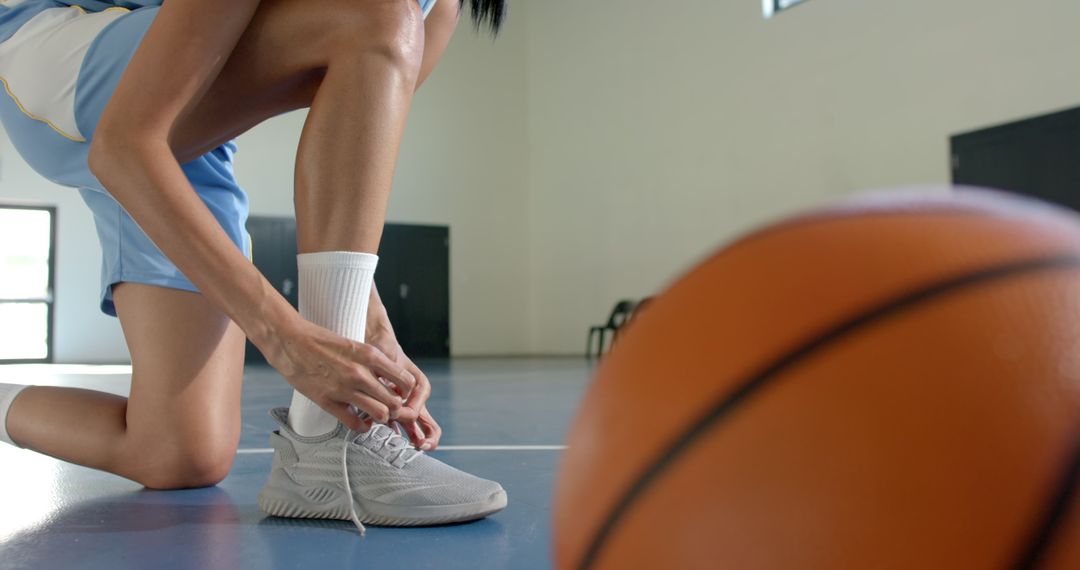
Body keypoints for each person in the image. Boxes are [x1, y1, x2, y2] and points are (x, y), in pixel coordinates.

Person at [0, 0, 508, 532]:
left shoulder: (437, 9)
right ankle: (325, 444)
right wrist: (282, 335)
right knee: (377, 13)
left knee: (180, 452)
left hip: (178, 119)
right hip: (64, 60)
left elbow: (347, 176)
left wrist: (367, 322)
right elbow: (123, 145)